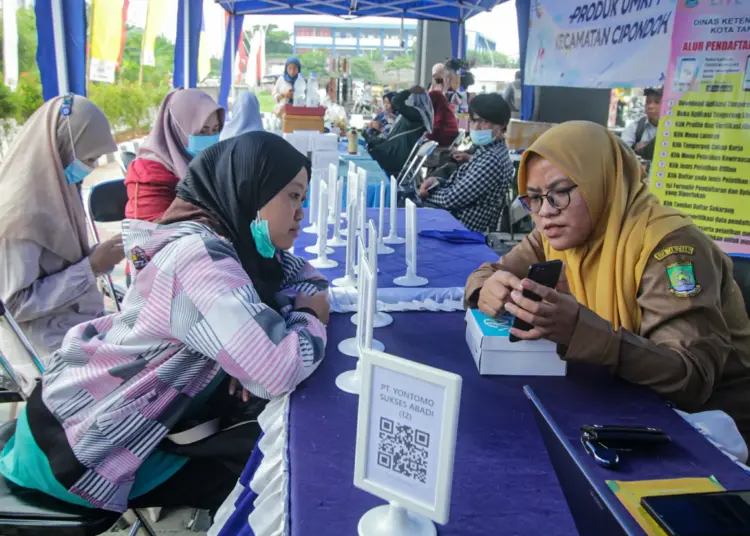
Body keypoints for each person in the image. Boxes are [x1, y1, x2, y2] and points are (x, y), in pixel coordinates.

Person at [0, 131, 330, 514]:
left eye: (302, 198)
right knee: (267, 465)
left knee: (265, 440)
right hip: (81, 448)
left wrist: (261, 332)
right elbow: (279, 368)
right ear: (250, 188)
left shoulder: (237, 244)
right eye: (291, 195)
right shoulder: (198, 256)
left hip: (94, 414)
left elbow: (307, 280)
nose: (300, 212)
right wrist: (305, 317)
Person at [465, 121, 750, 443]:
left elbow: (690, 378)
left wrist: (580, 331)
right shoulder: (556, 230)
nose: (545, 211)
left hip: (711, 431)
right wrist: (485, 288)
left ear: (602, 182)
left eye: (560, 193)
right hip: (626, 401)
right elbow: (490, 271)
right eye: (534, 198)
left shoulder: (669, 250)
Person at [0, 95, 124, 369]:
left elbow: (56, 265)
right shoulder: (19, 213)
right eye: (88, 158)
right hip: (48, 352)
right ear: (61, 148)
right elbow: (14, 305)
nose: (90, 167)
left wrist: (98, 258)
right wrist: (90, 267)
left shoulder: (55, 192)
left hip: (76, 329)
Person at [419, 93, 514, 233]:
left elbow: (451, 199)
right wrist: (436, 181)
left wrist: (425, 192)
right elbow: (459, 185)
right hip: (450, 220)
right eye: (473, 121)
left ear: (502, 125)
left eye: (484, 121)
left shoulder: (492, 160)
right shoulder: (485, 151)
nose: (476, 127)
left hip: (459, 230)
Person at [125, 88, 224, 222]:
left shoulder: (212, 163)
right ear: (177, 128)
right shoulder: (148, 174)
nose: (210, 138)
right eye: (202, 131)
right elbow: (153, 232)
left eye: (216, 130)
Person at [368, 86, 434, 179]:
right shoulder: (414, 115)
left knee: (366, 157)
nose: (407, 99)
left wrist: (409, 90)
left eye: (409, 97)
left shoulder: (415, 114)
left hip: (395, 156)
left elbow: (396, 101)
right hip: (393, 151)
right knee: (368, 144)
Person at [621, 87, 661, 160]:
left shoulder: (674, 129)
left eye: (657, 102)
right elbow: (622, 152)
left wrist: (645, 146)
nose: (650, 106)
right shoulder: (635, 126)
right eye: (648, 102)